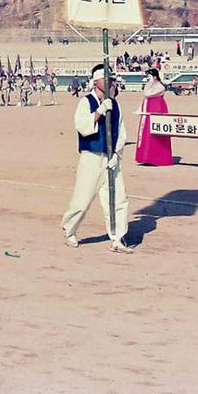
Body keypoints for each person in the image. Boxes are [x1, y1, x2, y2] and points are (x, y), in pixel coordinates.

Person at [61, 65, 131, 253]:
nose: (111, 83)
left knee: (117, 198)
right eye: (107, 79)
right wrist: (99, 112)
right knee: (82, 199)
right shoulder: (86, 102)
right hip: (91, 156)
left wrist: (116, 154)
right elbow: (82, 126)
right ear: (96, 81)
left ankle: (117, 237)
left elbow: (121, 132)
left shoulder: (115, 104)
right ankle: (70, 230)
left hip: (110, 158)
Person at [134, 68, 174, 166]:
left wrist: (149, 84)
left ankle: (157, 157)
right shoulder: (152, 86)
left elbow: (147, 93)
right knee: (146, 133)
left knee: (156, 132)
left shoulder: (160, 87)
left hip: (157, 109)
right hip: (148, 110)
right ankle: (146, 157)